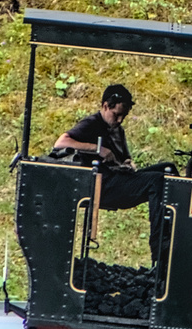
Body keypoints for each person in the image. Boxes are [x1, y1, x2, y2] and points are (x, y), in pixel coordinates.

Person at [53, 84, 167, 258]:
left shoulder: (118, 131)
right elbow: (61, 143)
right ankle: (159, 251)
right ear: (106, 106)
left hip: (118, 177)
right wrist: (97, 149)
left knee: (167, 170)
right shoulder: (91, 123)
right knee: (156, 181)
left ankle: (171, 238)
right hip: (102, 184)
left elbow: (122, 158)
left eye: (124, 116)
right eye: (116, 114)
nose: (120, 120)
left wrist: (127, 163)